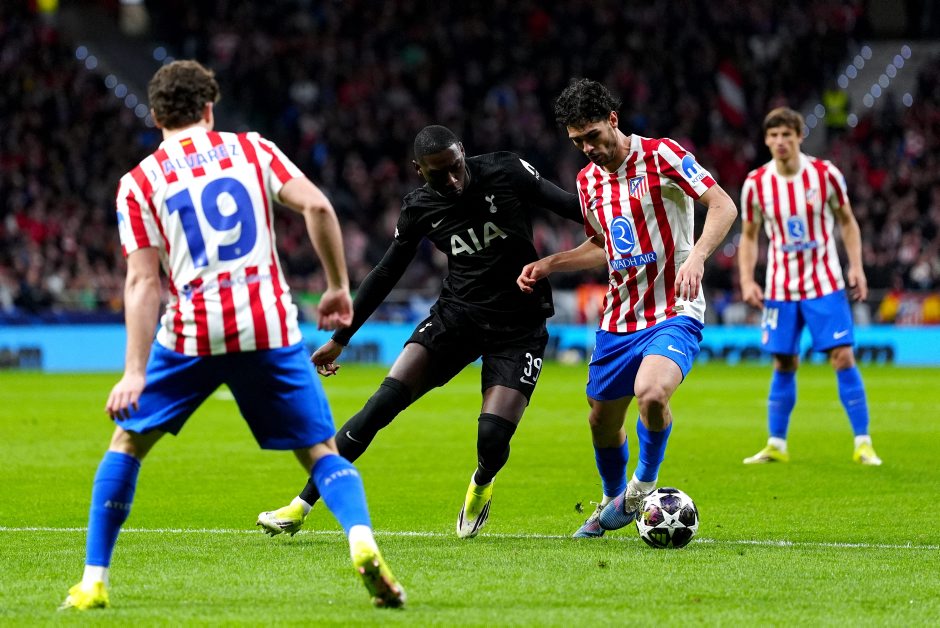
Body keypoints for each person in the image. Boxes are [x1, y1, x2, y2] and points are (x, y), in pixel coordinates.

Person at [60, 60, 405, 611]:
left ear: (155, 117)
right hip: (266, 322)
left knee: (127, 443)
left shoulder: (139, 183)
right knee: (319, 452)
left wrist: (133, 371)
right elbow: (317, 205)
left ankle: (94, 580)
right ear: (209, 108)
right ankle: (361, 541)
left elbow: (143, 281)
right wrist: (338, 287)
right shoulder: (253, 150)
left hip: (193, 331)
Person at [256, 124, 583, 540]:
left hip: (519, 327)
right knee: (380, 405)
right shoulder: (420, 208)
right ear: (419, 170)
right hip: (456, 319)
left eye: (455, 167)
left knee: (492, 436)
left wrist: (629, 221)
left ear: (462, 151)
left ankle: (482, 482)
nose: (452, 180)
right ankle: (300, 506)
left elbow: (572, 207)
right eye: (438, 175)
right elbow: (385, 273)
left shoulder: (505, 170)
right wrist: (341, 338)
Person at [517, 78, 738, 538]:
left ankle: (641, 488)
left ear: (613, 120)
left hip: (674, 306)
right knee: (601, 420)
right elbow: (604, 245)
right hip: (619, 316)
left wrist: (697, 255)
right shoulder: (587, 182)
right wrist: (550, 263)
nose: (587, 148)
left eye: (592, 136)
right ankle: (610, 498)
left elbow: (722, 205)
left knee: (652, 393)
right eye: (577, 141)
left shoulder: (663, 154)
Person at [738, 107, 881, 466]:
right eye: (773, 135)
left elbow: (847, 221)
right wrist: (746, 279)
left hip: (825, 282)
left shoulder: (825, 174)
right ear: (766, 139)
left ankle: (863, 443)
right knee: (784, 361)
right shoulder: (756, 183)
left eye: (786, 135)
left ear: (800, 137)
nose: (780, 142)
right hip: (780, 287)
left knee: (843, 355)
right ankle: (776, 444)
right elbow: (750, 236)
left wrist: (857, 267)